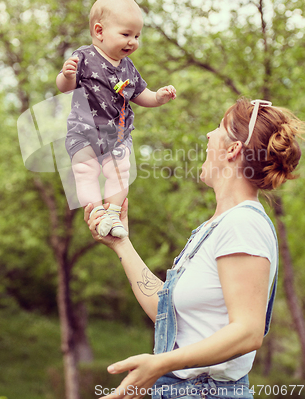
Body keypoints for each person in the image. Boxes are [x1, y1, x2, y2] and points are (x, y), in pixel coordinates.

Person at [85, 97, 304, 399]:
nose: (208, 135)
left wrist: (159, 364)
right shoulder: (214, 227)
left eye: (218, 128)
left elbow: (248, 331)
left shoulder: (242, 224)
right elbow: (167, 312)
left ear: (233, 150)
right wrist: (122, 244)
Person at [56, 0, 176, 238]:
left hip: (118, 135)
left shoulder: (128, 68)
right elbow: (64, 89)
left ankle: (112, 213)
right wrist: (67, 76)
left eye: (136, 36)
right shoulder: (84, 58)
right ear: (99, 31)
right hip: (84, 132)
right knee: (85, 171)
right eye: (125, 34)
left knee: (121, 172)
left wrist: (159, 97)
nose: (132, 41)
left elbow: (141, 95)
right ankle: (97, 213)